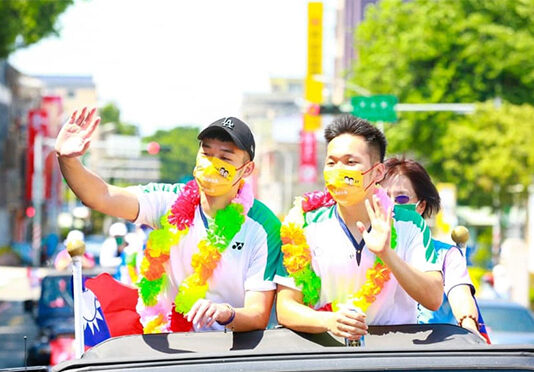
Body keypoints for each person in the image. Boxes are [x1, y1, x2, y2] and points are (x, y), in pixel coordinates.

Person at [55, 107, 282, 333]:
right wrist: (68, 160)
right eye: (207, 153)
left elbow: (258, 314)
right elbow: (102, 196)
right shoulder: (169, 201)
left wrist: (225, 313)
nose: (212, 163)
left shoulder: (264, 226)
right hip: (170, 347)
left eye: (224, 157)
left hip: (230, 352)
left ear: (247, 169)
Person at [275, 115, 443, 342]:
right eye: (331, 163)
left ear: (377, 172)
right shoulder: (304, 224)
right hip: (326, 353)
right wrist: (329, 321)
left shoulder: (409, 224)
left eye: (350, 162)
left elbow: (433, 297)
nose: (338, 171)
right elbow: (285, 307)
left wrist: (387, 253)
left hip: (393, 355)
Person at [380, 156, 489, 342]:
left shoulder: (446, 255)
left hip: (432, 352)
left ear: (421, 206)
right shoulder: (363, 248)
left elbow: (460, 294)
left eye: (401, 198)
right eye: (382, 197)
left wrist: (469, 326)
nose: (390, 206)